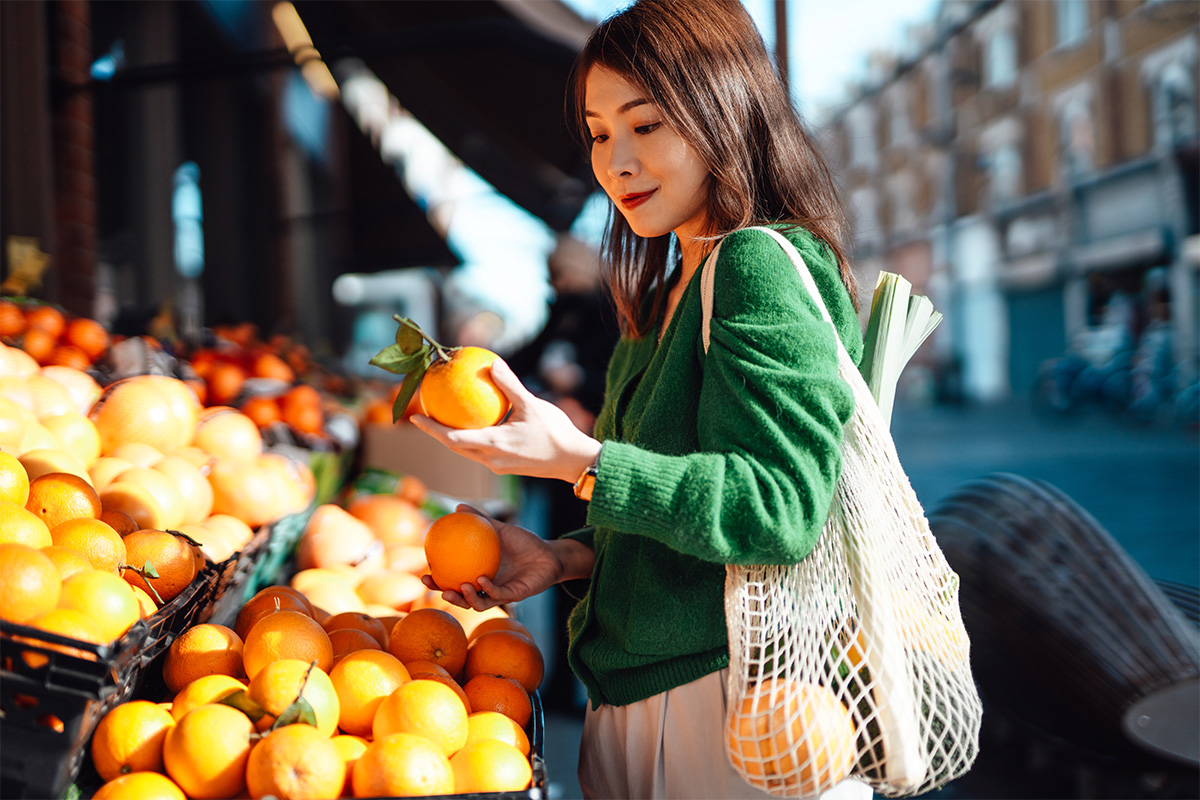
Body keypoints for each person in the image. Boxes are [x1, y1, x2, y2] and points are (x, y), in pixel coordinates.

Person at [412, 1, 870, 797]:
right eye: (597, 132)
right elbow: (685, 513)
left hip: (732, 710)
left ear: (724, 109)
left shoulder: (756, 264)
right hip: (636, 702)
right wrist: (568, 556)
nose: (616, 160)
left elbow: (780, 509)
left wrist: (581, 462)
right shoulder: (663, 290)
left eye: (646, 124)